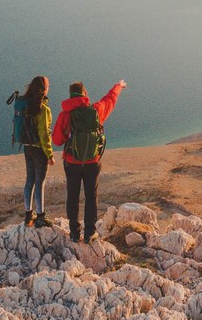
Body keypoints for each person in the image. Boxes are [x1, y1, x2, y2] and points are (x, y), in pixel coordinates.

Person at [52, 79, 126, 242]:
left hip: (71, 163)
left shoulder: (65, 115)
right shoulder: (96, 110)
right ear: (85, 94)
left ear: (71, 96)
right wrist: (119, 86)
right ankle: (90, 232)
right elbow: (110, 99)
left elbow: (57, 140)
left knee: (73, 196)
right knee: (91, 196)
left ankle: (74, 232)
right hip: (93, 162)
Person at [14, 75, 54, 227]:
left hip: (27, 148)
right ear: (43, 89)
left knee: (29, 180)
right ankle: (41, 216)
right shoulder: (43, 109)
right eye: (48, 85)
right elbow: (44, 134)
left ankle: (28, 214)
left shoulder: (24, 104)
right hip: (39, 151)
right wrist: (50, 155)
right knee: (40, 183)